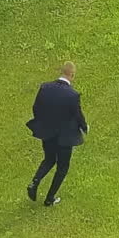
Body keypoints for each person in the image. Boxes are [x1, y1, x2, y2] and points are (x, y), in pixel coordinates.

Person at [25, 61, 88, 207]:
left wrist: (43, 122)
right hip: (64, 137)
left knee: (49, 159)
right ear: (72, 75)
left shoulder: (45, 88)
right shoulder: (72, 95)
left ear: (61, 72)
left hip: (48, 133)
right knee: (62, 167)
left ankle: (34, 182)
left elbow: (36, 107)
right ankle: (50, 198)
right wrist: (84, 127)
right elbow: (78, 115)